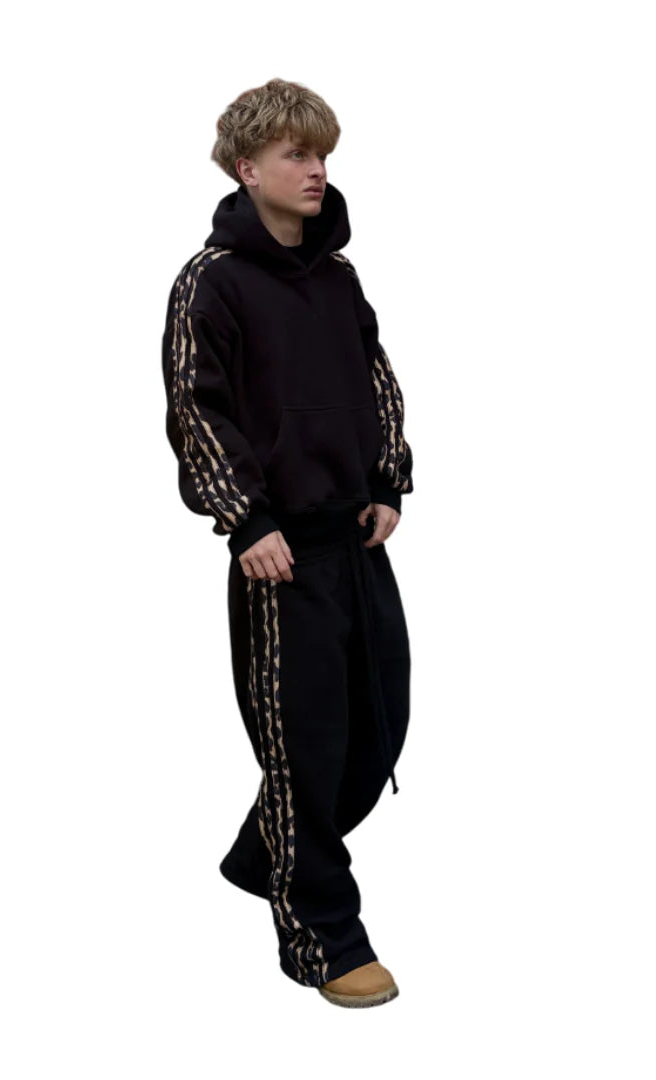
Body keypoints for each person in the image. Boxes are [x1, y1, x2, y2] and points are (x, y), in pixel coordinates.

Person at [160, 78, 414, 1009]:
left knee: (377, 730)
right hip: (280, 550)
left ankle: (261, 851)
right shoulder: (210, 282)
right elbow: (196, 408)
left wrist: (387, 481)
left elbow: (377, 380)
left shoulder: (339, 279)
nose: (316, 171)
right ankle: (322, 939)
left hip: (356, 538)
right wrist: (246, 519)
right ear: (247, 168)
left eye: (322, 155)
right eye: (296, 155)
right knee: (303, 749)